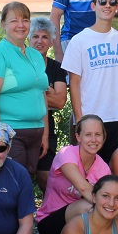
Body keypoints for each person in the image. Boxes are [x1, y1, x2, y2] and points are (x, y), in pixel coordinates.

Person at [62, 0, 118, 165]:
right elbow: (74, 83)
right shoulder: (79, 41)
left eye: (112, 2)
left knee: (114, 171)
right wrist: (79, 119)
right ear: (94, 6)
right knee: (87, 170)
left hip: (117, 116)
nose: (107, 6)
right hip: (91, 117)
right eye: (102, 2)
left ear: (117, 7)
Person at [0, 2, 50, 176]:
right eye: (14, 20)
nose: (20, 25)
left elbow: (41, 94)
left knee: (25, 180)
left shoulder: (35, 55)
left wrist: (45, 133)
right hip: (10, 132)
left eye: (25, 20)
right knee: (10, 181)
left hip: (36, 132)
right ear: (3, 24)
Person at [35, 116, 112, 234]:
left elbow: (109, 198)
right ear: (78, 137)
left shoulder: (103, 168)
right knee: (89, 207)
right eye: (88, 134)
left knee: (116, 213)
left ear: (103, 137)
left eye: (98, 134)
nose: (93, 139)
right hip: (51, 222)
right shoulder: (66, 153)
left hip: (81, 223)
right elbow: (84, 189)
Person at [29, 17, 68, 193]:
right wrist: (47, 91)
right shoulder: (21, 65)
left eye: (44, 37)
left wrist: (33, 91)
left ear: (51, 41)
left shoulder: (56, 68)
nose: (39, 41)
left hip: (47, 126)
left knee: (46, 178)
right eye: (35, 36)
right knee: (21, 176)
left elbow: (60, 101)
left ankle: (46, 217)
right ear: (28, 39)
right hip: (23, 123)